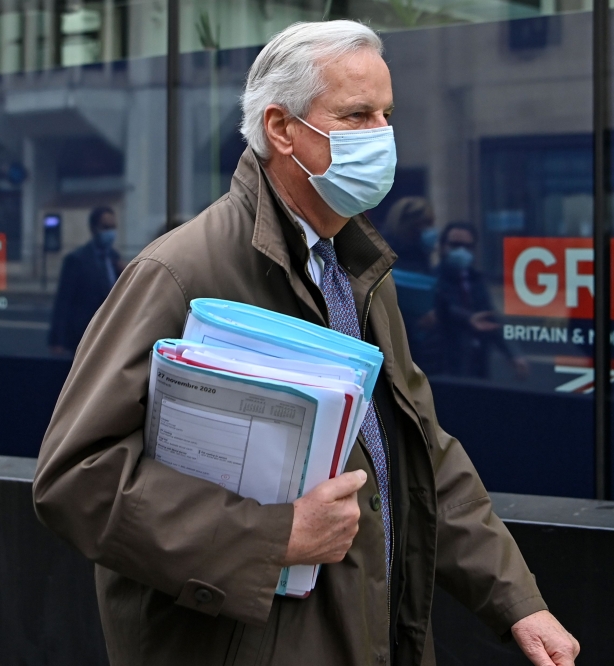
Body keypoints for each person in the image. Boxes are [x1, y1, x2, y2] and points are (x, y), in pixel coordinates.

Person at [33, 21, 578, 666]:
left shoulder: (359, 270)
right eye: (356, 115)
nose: (381, 136)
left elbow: (418, 453)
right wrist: (274, 536)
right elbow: (77, 479)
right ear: (281, 128)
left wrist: (517, 600)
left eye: (386, 114)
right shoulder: (182, 272)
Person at [433, 221, 528, 380]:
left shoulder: (476, 279)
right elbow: (443, 308)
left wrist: (513, 355)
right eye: (455, 245)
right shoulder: (433, 279)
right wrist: (467, 319)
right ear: (443, 247)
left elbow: (489, 317)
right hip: (446, 365)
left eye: (467, 246)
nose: (461, 251)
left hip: (477, 363)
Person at [48, 206, 122, 355]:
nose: (110, 232)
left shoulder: (115, 258)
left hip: (109, 336)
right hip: (82, 335)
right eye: (106, 227)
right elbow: (63, 301)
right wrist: (57, 340)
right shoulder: (77, 259)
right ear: (94, 229)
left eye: (113, 227)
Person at [381, 197, 439, 374]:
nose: (430, 230)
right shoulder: (385, 254)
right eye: (425, 224)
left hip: (422, 341)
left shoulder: (421, 253)